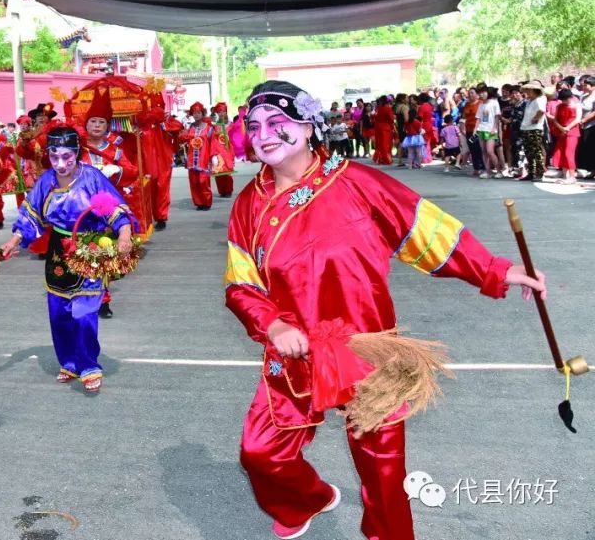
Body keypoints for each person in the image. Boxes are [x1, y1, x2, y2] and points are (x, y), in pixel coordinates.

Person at [227, 80, 546, 540]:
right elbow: (240, 283)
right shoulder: (247, 204)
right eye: (254, 126)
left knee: (383, 473)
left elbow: (428, 231)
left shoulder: (358, 183)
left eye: (278, 123)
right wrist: (273, 323)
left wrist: (496, 270)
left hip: (369, 349)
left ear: (309, 125)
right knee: (260, 453)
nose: (264, 134)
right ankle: (308, 498)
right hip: (294, 351)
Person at [0, 126, 135, 393]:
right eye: (54, 157)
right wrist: (12, 241)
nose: (61, 164)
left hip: (89, 248)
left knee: (84, 312)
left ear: (77, 153)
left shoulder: (92, 178)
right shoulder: (46, 182)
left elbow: (115, 210)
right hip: (58, 252)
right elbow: (30, 216)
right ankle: (70, 363)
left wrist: (125, 234)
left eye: (67, 157)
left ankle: (88, 365)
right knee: (59, 312)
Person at [80, 88, 141, 319]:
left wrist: (116, 171)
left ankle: (103, 300)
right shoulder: (78, 149)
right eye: (92, 121)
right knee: (80, 254)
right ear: (86, 125)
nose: (96, 126)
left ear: (107, 127)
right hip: (81, 210)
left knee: (102, 254)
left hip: (106, 211)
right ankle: (81, 295)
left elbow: (132, 172)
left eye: (101, 122)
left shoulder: (115, 151)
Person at [179, 102, 222, 211]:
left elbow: (213, 142)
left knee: (203, 181)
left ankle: (207, 202)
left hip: (204, 158)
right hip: (192, 158)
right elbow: (184, 139)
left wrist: (214, 156)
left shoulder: (209, 128)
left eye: (198, 113)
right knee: (194, 182)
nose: (196, 115)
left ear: (202, 114)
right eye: (194, 113)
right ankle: (199, 202)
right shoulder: (190, 127)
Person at [550, 87, 581, 184]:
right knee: (562, 153)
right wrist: (561, 128)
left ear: (570, 97)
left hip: (572, 132)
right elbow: (555, 119)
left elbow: (577, 119)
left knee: (569, 153)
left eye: (566, 99)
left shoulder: (577, 105)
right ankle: (565, 175)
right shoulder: (559, 106)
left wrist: (567, 128)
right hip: (562, 132)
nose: (564, 101)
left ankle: (572, 176)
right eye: (562, 100)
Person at [211, 103, 236, 198]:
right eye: (219, 112)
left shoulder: (231, 125)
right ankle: (222, 190)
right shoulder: (214, 127)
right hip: (218, 151)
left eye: (223, 111)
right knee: (219, 171)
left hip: (228, 151)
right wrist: (213, 153)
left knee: (228, 171)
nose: (222, 114)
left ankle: (228, 190)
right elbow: (212, 140)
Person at [371, 96, 394, 165]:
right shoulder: (388, 109)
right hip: (386, 128)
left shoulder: (378, 109)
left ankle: (380, 158)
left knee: (379, 144)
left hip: (378, 128)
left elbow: (374, 117)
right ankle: (386, 159)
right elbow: (391, 119)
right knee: (386, 143)